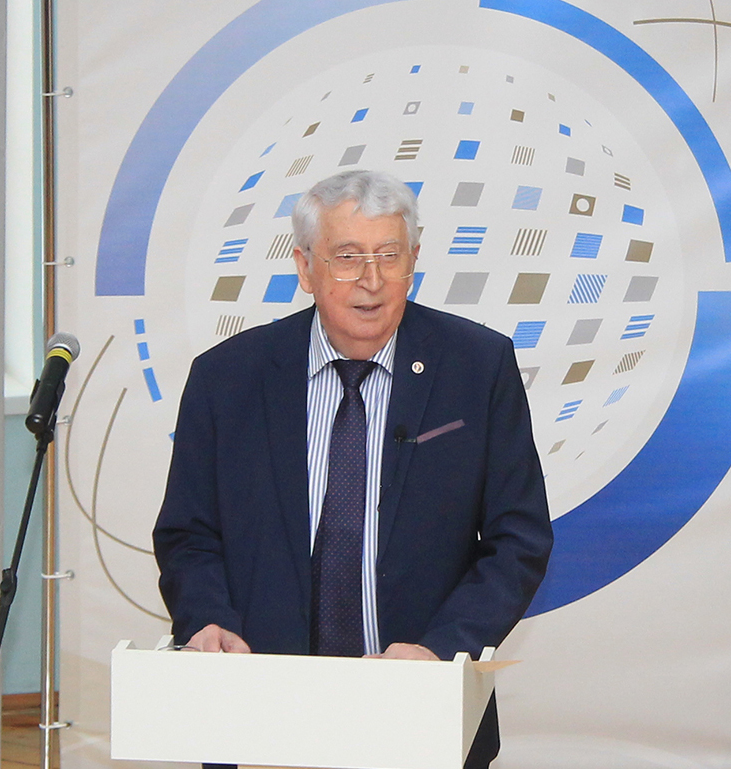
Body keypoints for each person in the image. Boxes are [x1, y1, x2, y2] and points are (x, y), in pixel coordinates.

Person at [153, 169, 552, 767]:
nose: (371, 280)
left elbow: (518, 538)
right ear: (304, 267)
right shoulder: (227, 378)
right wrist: (207, 621)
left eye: (389, 256)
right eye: (346, 258)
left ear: (414, 261)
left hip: (421, 707)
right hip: (259, 708)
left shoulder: (476, 366)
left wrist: (441, 651)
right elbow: (189, 533)